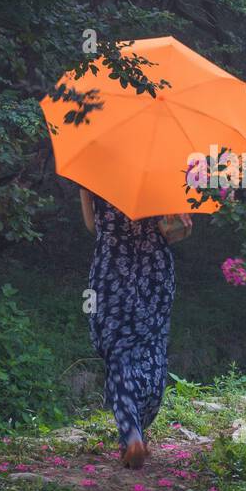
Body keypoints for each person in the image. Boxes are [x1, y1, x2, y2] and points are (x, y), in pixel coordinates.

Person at [80, 187, 184, 469]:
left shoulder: (95, 174)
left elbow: (92, 225)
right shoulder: (163, 174)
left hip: (112, 270)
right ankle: (138, 426)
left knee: (117, 353)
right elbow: (176, 228)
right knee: (152, 348)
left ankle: (132, 433)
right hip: (155, 272)